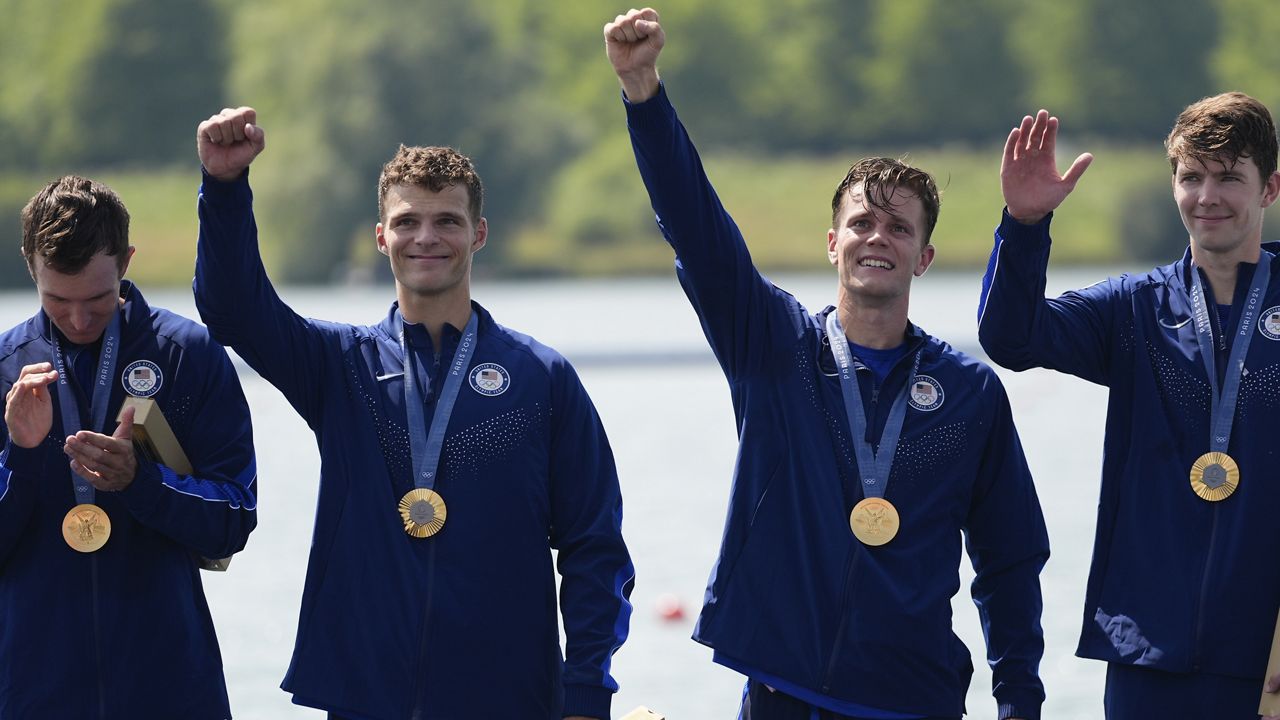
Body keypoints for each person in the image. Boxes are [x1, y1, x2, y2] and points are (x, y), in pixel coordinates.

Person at [605, 9, 1048, 720]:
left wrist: (1019, 698)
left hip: (914, 699)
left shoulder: (969, 394)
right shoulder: (773, 346)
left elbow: (1010, 561)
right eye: (862, 223)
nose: (879, 237)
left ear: (924, 257)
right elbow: (694, 224)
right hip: (784, 691)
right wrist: (643, 93)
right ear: (832, 244)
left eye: (899, 227)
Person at [192, 107, 635, 720]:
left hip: (509, 698)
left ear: (479, 233)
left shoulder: (542, 378)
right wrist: (223, 188)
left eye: (447, 221)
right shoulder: (339, 367)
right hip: (365, 697)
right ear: (381, 237)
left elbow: (594, 547)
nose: (426, 238)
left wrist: (587, 690)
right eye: (407, 222)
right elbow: (232, 307)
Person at [977, 93, 1280, 719]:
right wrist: (1025, 227)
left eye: (1229, 177)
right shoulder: (1135, 309)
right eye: (1192, 177)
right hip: (1148, 650)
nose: (1208, 196)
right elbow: (1013, 337)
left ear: (1269, 188)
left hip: (1266, 657)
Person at [0, 175, 258, 718]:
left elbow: (235, 518)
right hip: (31, 690)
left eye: (96, 299)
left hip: (167, 688)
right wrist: (21, 459)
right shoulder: (5, 368)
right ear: (30, 266)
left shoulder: (189, 355)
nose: (76, 319)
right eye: (56, 300)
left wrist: (142, 483)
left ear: (127, 261)